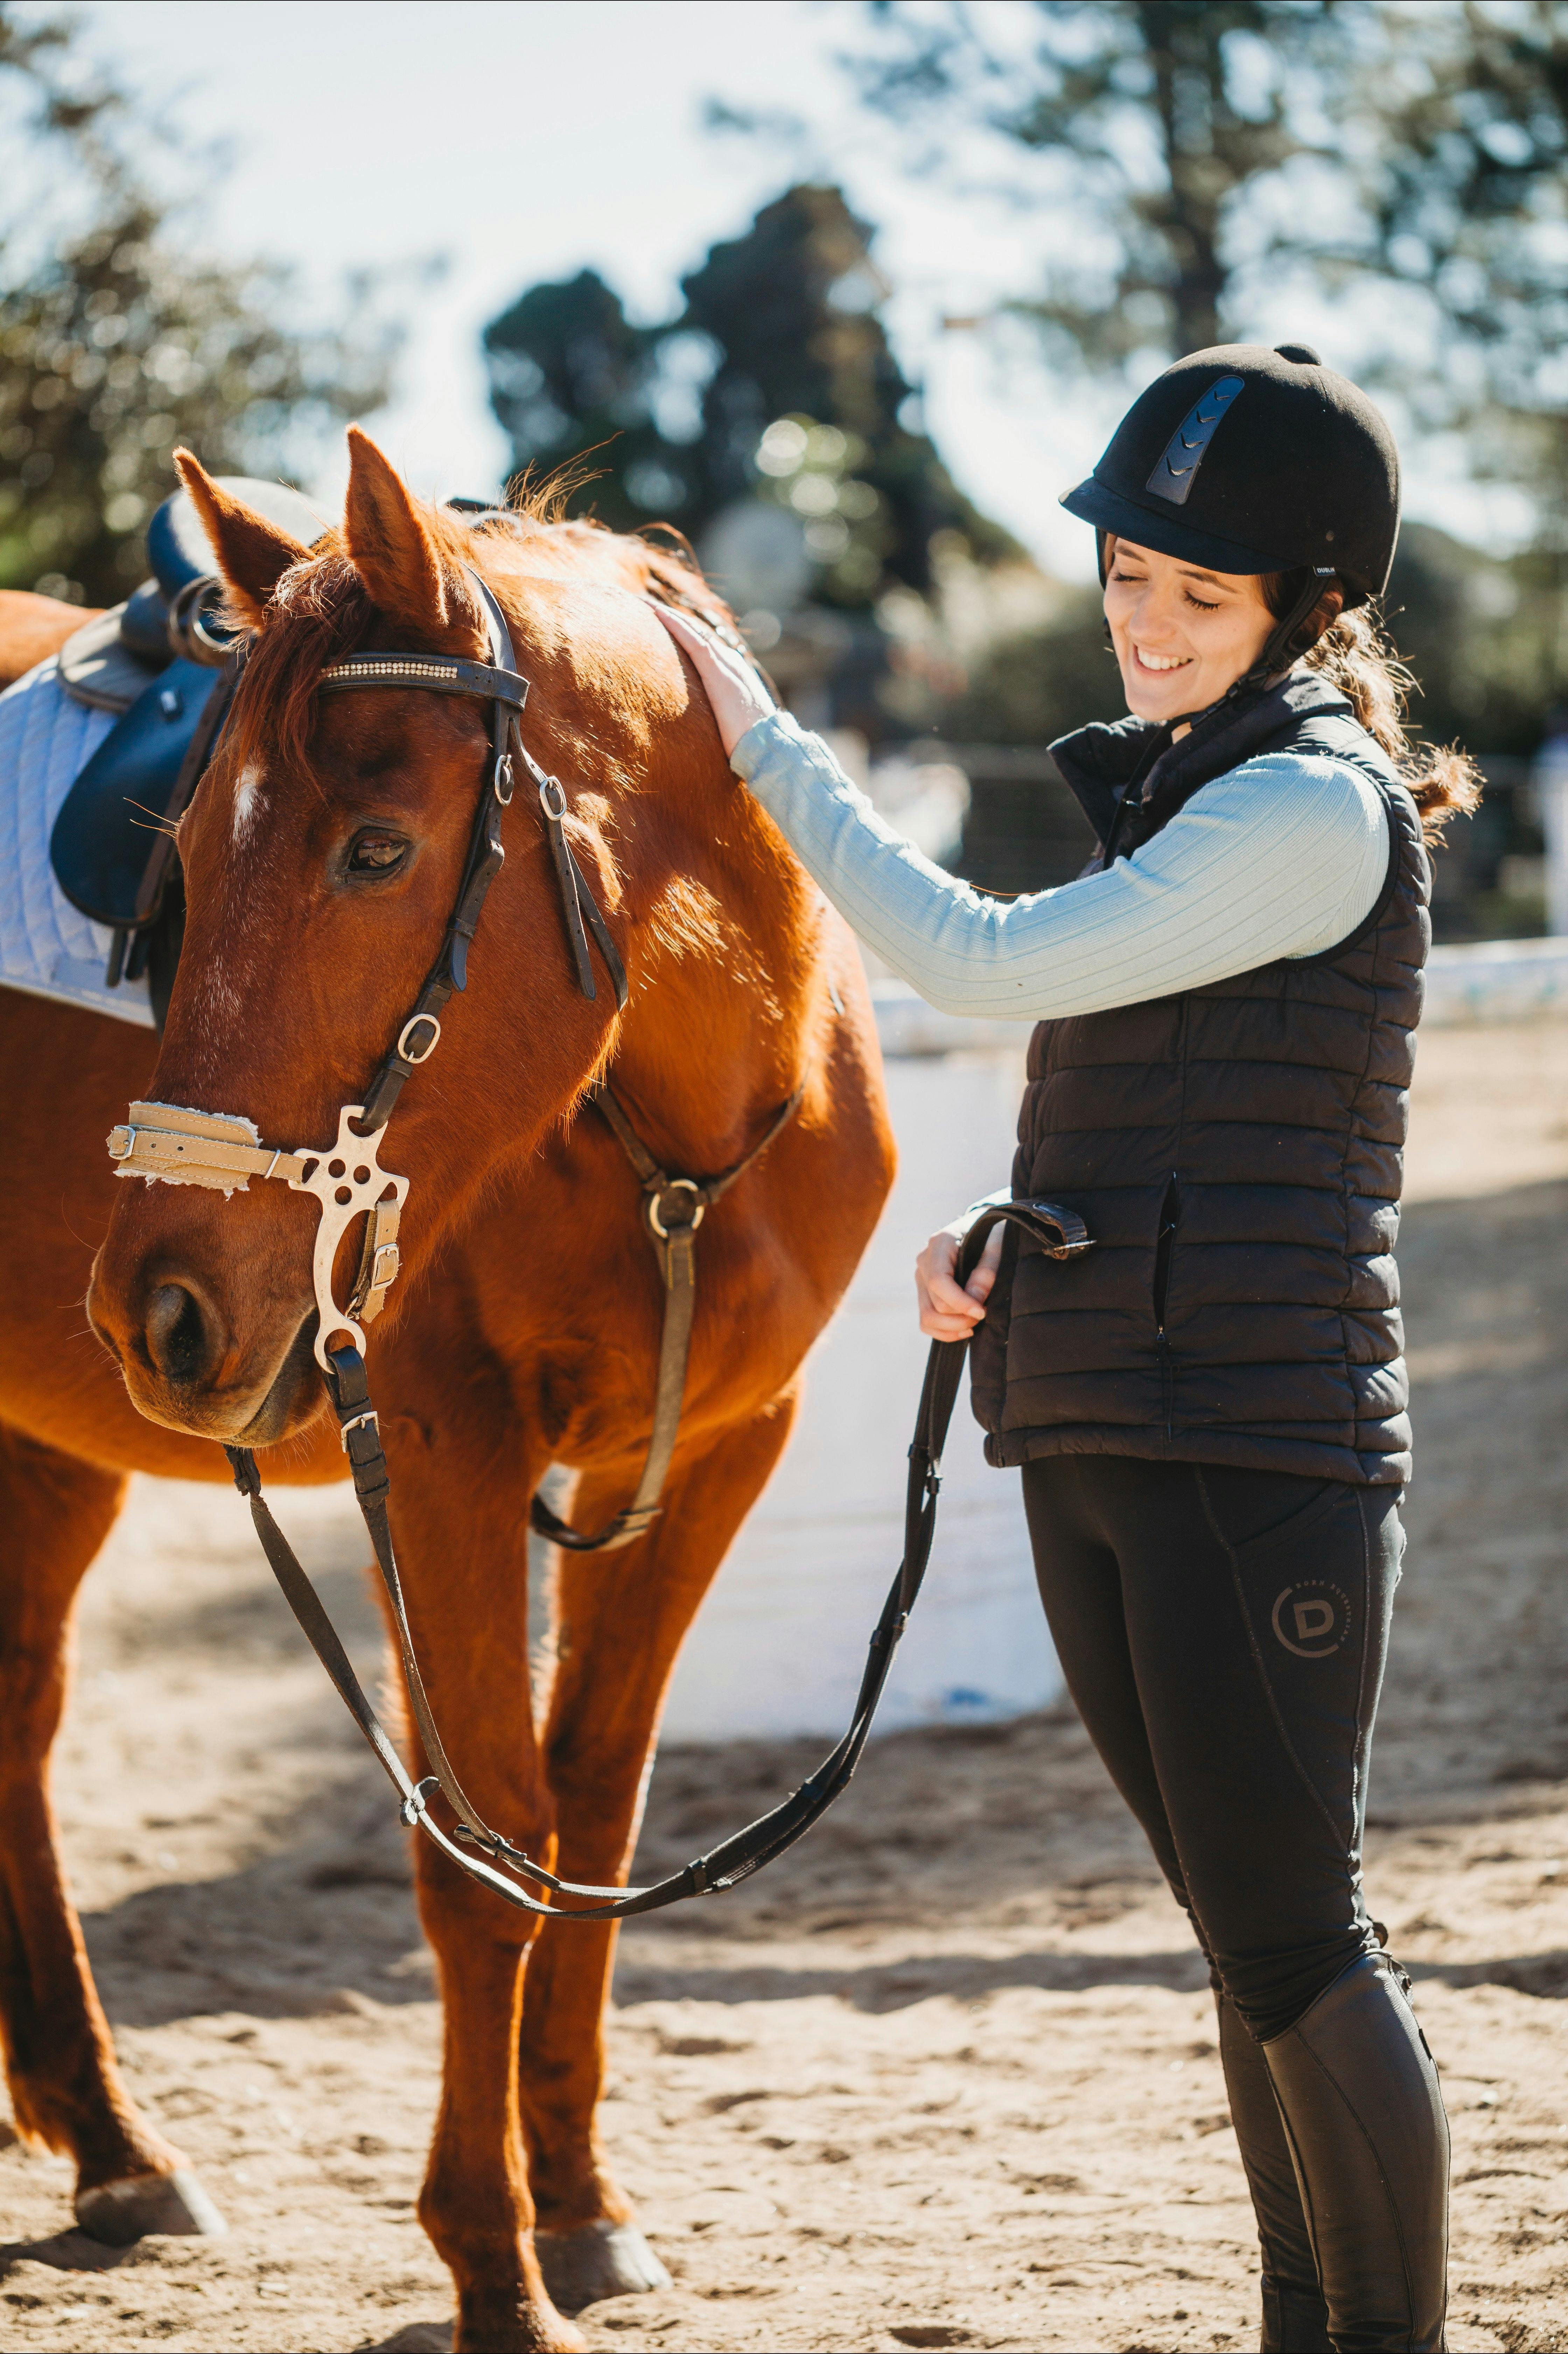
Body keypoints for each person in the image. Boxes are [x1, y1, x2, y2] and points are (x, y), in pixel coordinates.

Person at [656, 341, 1481, 2354]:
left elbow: (980, 962)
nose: (1143, 618)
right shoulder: (1194, 795)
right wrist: (1012, 1243)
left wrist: (766, 746)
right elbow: (1173, 1108)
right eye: (1126, 571)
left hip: (1253, 1444)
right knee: (1246, 1936)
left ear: (1306, 610)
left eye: (1197, 595)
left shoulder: (1303, 806)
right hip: (1114, 1413)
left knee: (1296, 1937)